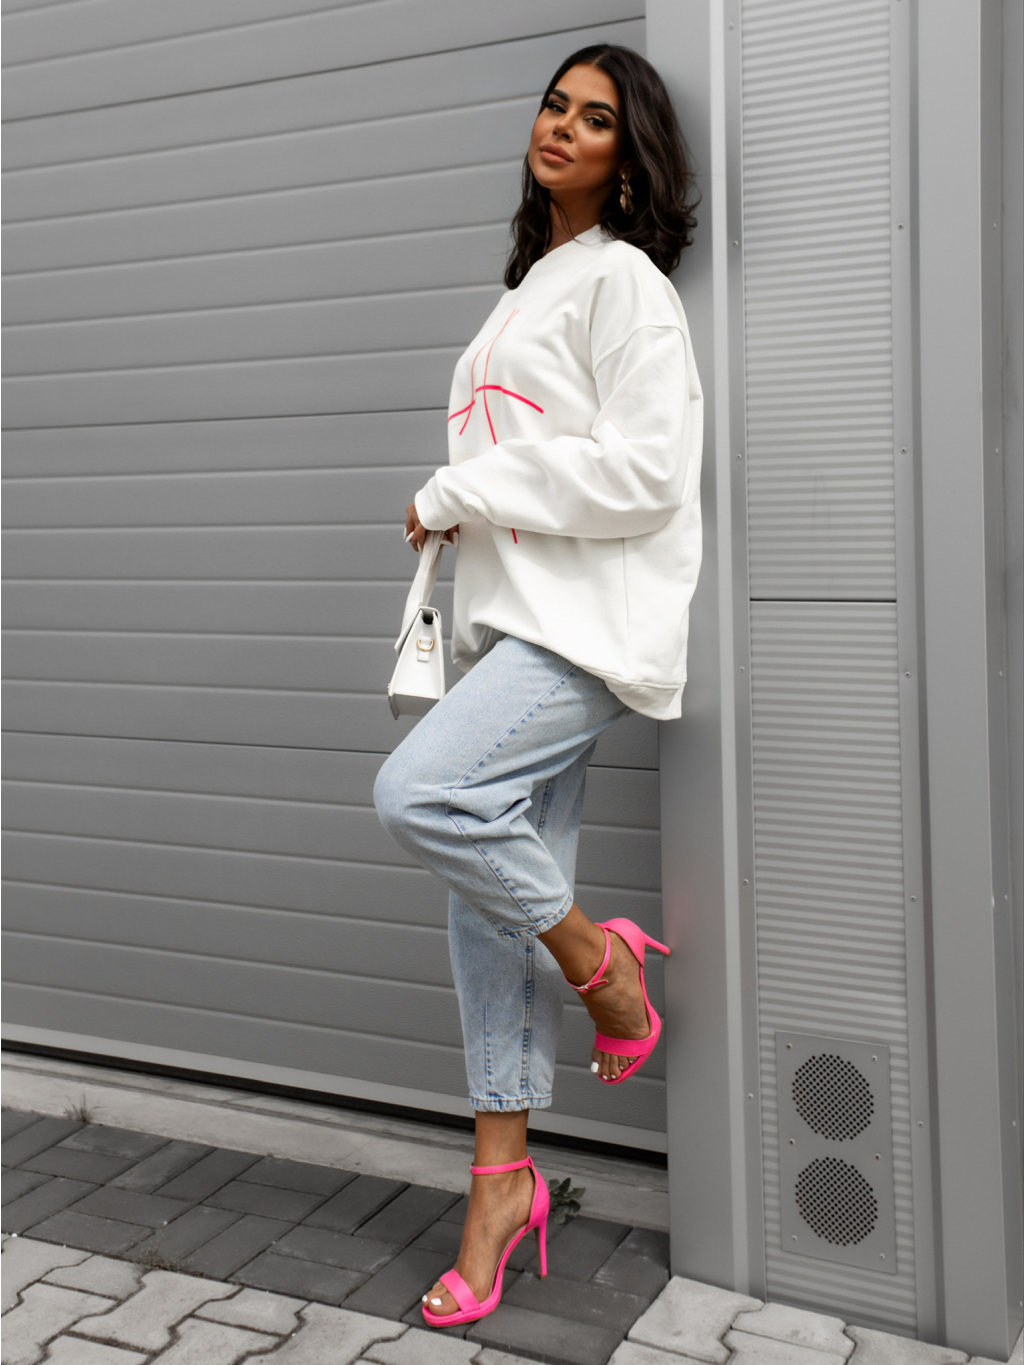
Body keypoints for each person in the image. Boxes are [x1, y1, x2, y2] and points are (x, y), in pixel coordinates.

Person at [373, 42, 702, 1328]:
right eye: (554, 105)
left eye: (596, 118)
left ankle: (603, 964)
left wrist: (459, 487)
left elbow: (647, 473)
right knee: (484, 907)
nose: (561, 126)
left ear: (631, 156)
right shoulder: (529, 287)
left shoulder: (624, 283)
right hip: (515, 630)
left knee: (423, 796)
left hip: (581, 636)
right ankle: (500, 1186)